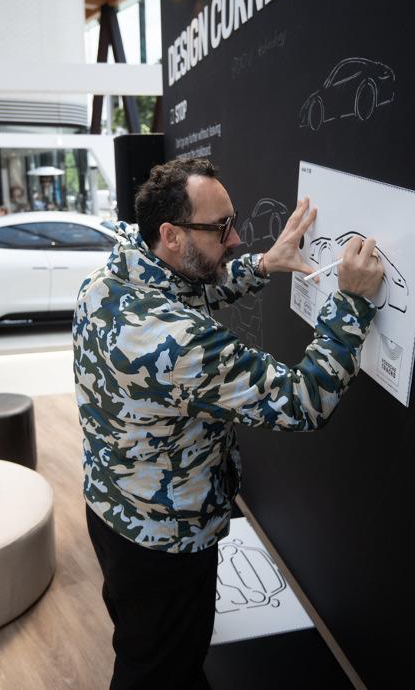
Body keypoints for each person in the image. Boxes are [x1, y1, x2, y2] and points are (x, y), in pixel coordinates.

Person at [72, 158, 383, 690]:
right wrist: (351, 301)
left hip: (112, 508)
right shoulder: (178, 341)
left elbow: (188, 288)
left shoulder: (112, 277)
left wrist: (263, 265)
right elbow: (304, 401)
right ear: (172, 234)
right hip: (165, 542)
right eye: (220, 228)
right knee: (155, 671)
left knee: (152, 646)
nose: (236, 238)